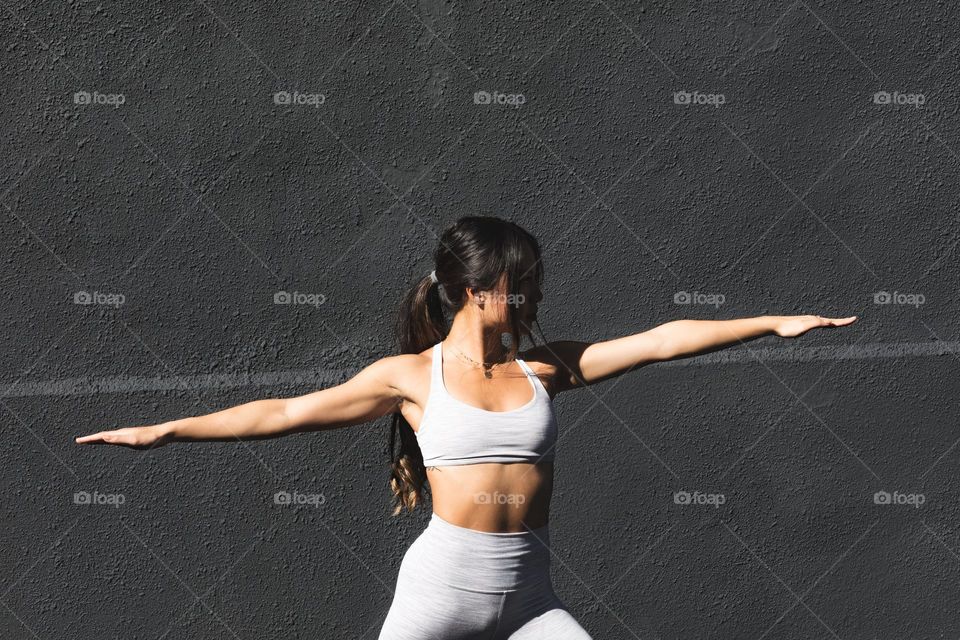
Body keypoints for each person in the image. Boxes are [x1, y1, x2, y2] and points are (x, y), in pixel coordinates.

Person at [76, 216, 857, 638]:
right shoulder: (409, 378)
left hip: (530, 597)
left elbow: (659, 338)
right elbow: (282, 413)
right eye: (524, 283)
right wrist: (167, 429)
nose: (534, 294)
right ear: (478, 291)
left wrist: (772, 322)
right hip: (442, 592)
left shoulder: (544, 368)